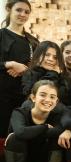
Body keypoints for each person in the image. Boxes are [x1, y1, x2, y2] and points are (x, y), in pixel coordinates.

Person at [5, 80, 64, 162]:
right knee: (15, 139)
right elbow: (21, 132)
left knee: (57, 139)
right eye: (43, 95)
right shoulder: (19, 112)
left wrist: (30, 132)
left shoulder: (57, 116)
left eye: (52, 97)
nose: (48, 100)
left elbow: (58, 131)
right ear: (33, 97)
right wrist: (44, 127)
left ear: (56, 101)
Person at [0, 0, 38, 138]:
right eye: (19, 10)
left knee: (16, 138)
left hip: (23, 98)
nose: (23, 14)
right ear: (9, 9)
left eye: (26, 12)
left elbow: (38, 68)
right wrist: (9, 64)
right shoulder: (2, 35)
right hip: (2, 96)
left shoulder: (33, 42)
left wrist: (25, 69)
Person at [21, 40, 71, 107]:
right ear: (38, 55)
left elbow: (62, 98)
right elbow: (36, 96)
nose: (51, 59)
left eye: (55, 57)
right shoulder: (30, 74)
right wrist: (53, 73)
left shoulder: (67, 76)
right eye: (47, 55)